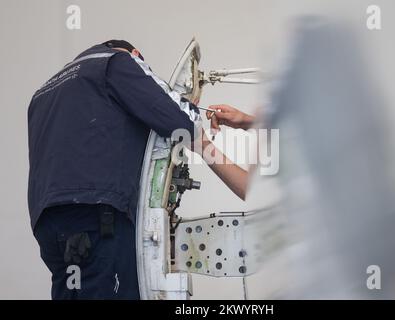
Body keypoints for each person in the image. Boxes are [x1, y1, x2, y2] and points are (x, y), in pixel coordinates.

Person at [27, 40, 250, 299]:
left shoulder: (44, 93)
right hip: (99, 219)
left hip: (50, 225)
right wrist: (195, 112)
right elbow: (181, 119)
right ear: (135, 56)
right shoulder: (115, 62)